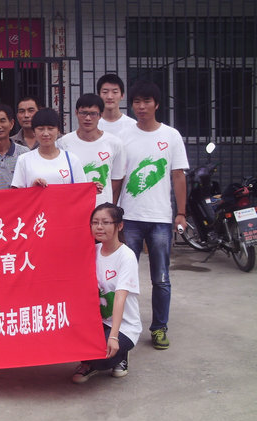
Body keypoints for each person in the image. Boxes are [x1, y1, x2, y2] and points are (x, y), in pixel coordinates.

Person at [119, 80, 188, 350]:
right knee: (125, 277)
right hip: (130, 218)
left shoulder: (171, 136)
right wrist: (115, 214)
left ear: (156, 104)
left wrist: (181, 212)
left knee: (161, 278)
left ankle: (159, 327)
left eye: (146, 101)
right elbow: (118, 177)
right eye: (136, 101)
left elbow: (178, 175)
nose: (141, 106)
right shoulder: (124, 136)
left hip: (159, 218)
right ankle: (124, 326)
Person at [72, 203, 141, 383]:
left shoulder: (126, 256)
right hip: (97, 321)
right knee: (66, 339)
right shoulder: (93, 251)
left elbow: (119, 298)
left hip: (123, 325)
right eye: (95, 222)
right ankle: (89, 362)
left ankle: (120, 356)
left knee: (101, 357)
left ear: (119, 226)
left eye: (105, 222)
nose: (99, 227)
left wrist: (114, 336)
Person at [58, 93, 126, 205]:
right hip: (73, 206)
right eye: (83, 113)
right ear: (76, 113)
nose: (88, 118)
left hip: (102, 208)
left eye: (93, 114)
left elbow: (117, 179)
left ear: (101, 115)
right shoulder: (63, 143)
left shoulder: (114, 143)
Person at [11, 108, 91, 189]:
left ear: (58, 131)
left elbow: (82, 190)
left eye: (50, 128)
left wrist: (93, 188)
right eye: (41, 129)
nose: (46, 133)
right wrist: (33, 188)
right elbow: (18, 194)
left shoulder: (71, 159)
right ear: (34, 132)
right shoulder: (24, 160)